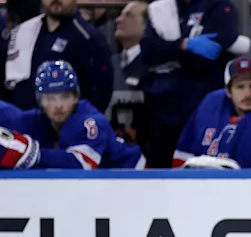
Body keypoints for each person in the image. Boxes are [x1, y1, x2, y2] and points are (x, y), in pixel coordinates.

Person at [139, 0, 240, 168]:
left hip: (203, 107)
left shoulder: (220, 7)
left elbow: (203, 59)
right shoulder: (161, 9)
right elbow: (148, 52)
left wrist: (168, 51)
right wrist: (184, 44)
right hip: (162, 110)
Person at [0, 59, 144, 169]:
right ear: (40, 101)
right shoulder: (40, 120)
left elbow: (82, 164)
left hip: (137, 178)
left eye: (65, 96)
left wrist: (33, 154)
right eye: (50, 98)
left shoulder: (89, 121)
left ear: (76, 97)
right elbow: (11, 117)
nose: (58, 105)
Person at [2, 0, 114, 112]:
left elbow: (100, 94)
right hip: (20, 126)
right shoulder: (22, 32)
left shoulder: (89, 38)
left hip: (66, 128)